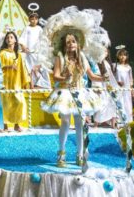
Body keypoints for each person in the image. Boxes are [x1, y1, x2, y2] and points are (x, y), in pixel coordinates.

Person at [41, 33, 106, 167]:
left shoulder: (82, 58)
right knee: (65, 121)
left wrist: (104, 78)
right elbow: (56, 76)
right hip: (65, 92)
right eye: (68, 42)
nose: (71, 44)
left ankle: (80, 155)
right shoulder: (60, 58)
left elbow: (92, 76)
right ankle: (61, 154)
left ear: (78, 44)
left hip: (80, 92)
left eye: (73, 42)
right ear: (65, 46)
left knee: (79, 124)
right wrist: (65, 78)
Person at [0, 31, 30, 132]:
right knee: (5, 103)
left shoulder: (19, 55)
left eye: (11, 37)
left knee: (19, 102)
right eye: (7, 37)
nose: (9, 39)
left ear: (15, 40)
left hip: (16, 83)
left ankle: (17, 124)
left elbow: (23, 69)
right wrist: (9, 66)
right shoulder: (2, 54)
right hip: (5, 82)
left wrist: (26, 82)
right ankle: (5, 125)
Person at [19, 13, 51, 89]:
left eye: (36, 19)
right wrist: (23, 46)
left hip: (37, 52)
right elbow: (22, 39)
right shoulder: (27, 28)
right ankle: (31, 85)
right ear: (29, 19)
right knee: (30, 68)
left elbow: (42, 39)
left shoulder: (39, 28)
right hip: (29, 52)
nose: (34, 21)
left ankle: (40, 84)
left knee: (39, 67)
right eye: (32, 19)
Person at [93, 49, 117, 128]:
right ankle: (96, 124)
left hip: (109, 87)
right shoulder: (97, 63)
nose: (104, 53)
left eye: (106, 51)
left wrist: (114, 86)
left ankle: (112, 124)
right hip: (101, 87)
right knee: (101, 105)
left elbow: (111, 77)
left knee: (111, 104)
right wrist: (97, 87)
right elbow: (95, 75)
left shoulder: (107, 63)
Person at [113, 48, 134, 122]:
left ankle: (128, 120)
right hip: (118, 87)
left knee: (127, 103)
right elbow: (112, 77)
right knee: (119, 102)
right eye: (121, 55)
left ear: (127, 57)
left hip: (127, 88)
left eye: (124, 55)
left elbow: (131, 79)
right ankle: (119, 121)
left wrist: (131, 90)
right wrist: (116, 83)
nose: (122, 57)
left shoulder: (128, 67)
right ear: (118, 56)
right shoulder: (115, 66)